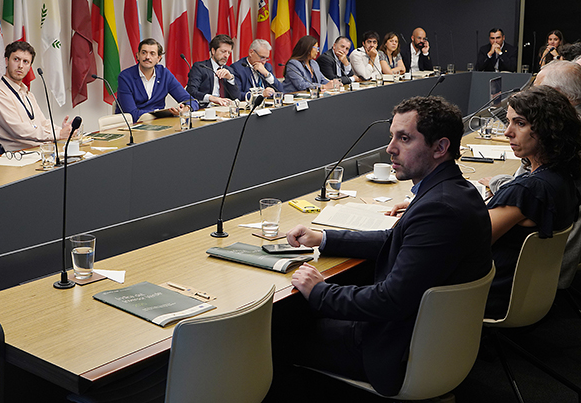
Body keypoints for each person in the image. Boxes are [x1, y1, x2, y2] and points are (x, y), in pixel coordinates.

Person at [285, 96, 491, 396]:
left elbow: (389, 299)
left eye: (404, 139)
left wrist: (320, 291)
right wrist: (324, 238)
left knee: (278, 328)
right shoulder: (455, 190)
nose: (390, 148)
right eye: (392, 136)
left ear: (440, 147)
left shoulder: (440, 209)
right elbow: (395, 240)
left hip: (395, 350)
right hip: (431, 338)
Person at [485, 86, 581, 318]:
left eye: (520, 123)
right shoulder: (563, 178)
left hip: (490, 295)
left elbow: (468, 242)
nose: (507, 132)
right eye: (508, 122)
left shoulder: (529, 190)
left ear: (548, 129)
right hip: (526, 293)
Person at [0, 41, 73, 152]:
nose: (20, 66)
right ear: (6, 61)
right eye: (16, 59)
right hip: (15, 157)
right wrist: (57, 134)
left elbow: (43, 123)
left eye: (25, 62)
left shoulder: (28, 94)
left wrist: (64, 130)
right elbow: (19, 130)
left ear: (29, 66)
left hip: (36, 152)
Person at [116, 38, 199, 122]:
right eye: (144, 53)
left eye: (152, 54)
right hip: (133, 125)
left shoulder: (164, 74)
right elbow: (131, 113)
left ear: (158, 58)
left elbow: (191, 100)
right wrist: (161, 113)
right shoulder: (125, 77)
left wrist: (187, 108)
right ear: (138, 55)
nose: (147, 57)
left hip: (159, 123)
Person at [186, 34, 239, 106]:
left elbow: (236, 97)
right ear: (213, 51)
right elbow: (191, 91)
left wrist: (230, 79)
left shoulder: (229, 70)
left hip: (224, 109)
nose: (226, 55)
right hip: (205, 108)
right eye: (223, 51)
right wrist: (211, 98)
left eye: (228, 52)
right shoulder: (200, 67)